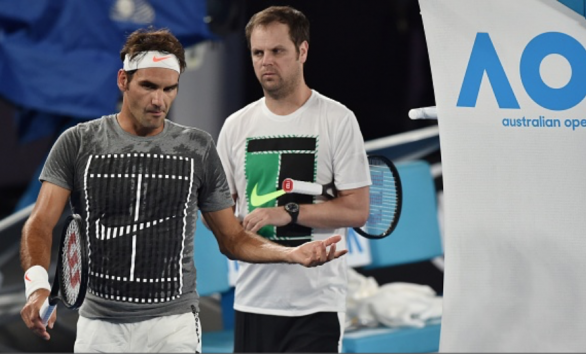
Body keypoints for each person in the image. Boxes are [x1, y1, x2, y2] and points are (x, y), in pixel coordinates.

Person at [19, 27, 347, 353]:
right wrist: (36, 287)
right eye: (148, 86)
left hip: (173, 328)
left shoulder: (198, 148)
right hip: (100, 328)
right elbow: (40, 223)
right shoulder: (77, 143)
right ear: (123, 81)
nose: (158, 100)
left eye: (169, 88)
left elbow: (232, 239)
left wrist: (290, 254)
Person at [216, 6, 371, 353]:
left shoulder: (337, 120)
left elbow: (357, 210)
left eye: (277, 51)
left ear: (302, 51)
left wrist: (288, 211)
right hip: (253, 300)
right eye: (258, 53)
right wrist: (226, 226)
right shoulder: (235, 126)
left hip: (316, 304)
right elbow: (221, 213)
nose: (266, 61)